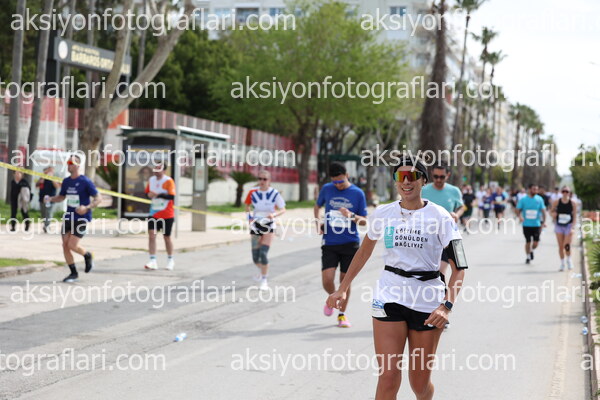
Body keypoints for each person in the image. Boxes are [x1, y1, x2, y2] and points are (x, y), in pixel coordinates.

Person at [327, 157, 467, 400]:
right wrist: (342, 288)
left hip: (426, 301)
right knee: (388, 377)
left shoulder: (441, 216)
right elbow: (363, 252)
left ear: (423, 180)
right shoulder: (384, 213)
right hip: (389, 295)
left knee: (419, 384)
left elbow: (459, 267)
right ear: (395, 181)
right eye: (400, 177)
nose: (406, 182)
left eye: (412, 177)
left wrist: (446, 306)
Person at [315, 162, 367, 328]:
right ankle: (333, 297)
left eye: (340, 181)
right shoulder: (327, 189)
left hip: (350, 243)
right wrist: (318, 222)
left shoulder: (358, 193)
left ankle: (342, 315)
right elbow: (317, 205)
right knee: (327, 279)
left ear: (347, 176)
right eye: (334, 182)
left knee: (345, 281)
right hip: (330, 241)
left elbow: (364, 221)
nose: (337, 185)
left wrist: (350, 215)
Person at [45, 155, 100, 282]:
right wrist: (50, 198)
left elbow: (98, 198)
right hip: (69, 217)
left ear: (78, 165)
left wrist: (86, 207)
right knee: (65, 245)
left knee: (72, 245)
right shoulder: (66, 181)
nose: (69, 164)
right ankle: (73, 273)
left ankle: (87, 255)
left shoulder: (85, 181)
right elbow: (62, 197)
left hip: (81, 218)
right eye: (68, 162)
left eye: (71, 162)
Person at [245, 170, 286, 290]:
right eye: (260, 179)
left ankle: (264, 280)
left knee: (263, 253)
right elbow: (247, 206)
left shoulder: (274, 193)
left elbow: (283, 209)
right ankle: (262, 270)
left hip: (269, 225)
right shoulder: (252, 192)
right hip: (256, 225)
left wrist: (274, 215)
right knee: (255, 257)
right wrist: (249, 218)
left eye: (265, 179)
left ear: (269, 181)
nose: (262, 181)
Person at [144, 163, 177, 271]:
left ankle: (170, 260)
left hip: (167, 213)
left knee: (166, 237)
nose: (156, 170)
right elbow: (147, 193)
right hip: (153, 213)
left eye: (159, 169)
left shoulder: (168, 181)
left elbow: (171, 196)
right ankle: (152, 260)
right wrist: (148, 195)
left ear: (164, 171)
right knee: (152, 235)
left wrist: (158, 194)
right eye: (155, 168)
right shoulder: (151, 180)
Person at [516, 184, 547, 265]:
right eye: (534, 189)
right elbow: (518, 209)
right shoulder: (523, 199)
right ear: (529, 189)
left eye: (536, 189)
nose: (535, 191)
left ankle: (531, 250)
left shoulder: (539, 199)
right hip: (526, 224)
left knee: (536, 243)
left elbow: (543, 211)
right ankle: (528, 257)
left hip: (536, 224)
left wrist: (544, 222)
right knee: (528, 241)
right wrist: (520, 217)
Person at [551, 186, 577, 271]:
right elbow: (551, 211)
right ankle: (562, 263)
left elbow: (575, 216)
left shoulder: (573, 203)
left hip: (568, 226)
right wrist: (553, 214)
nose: (565, 193)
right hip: (559, 226)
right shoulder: (557, 202)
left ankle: (569, 260)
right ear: (561, 192)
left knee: (567, 245)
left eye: (567, 191)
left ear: (569, 193)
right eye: (563, 191)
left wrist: (573, 227)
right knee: (560, 246)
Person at [37, 166, 61, 233]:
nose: (50, 172)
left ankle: (47, 226)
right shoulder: (43, 177)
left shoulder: (55, 178)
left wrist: (52, 178)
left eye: (51, 170)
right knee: (43, 213)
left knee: (48, 213)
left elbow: (57, 186)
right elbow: (37, 185)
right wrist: (42, 177)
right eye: (49, 170)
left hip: (51, 199)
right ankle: (45, 224)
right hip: (42, 198)